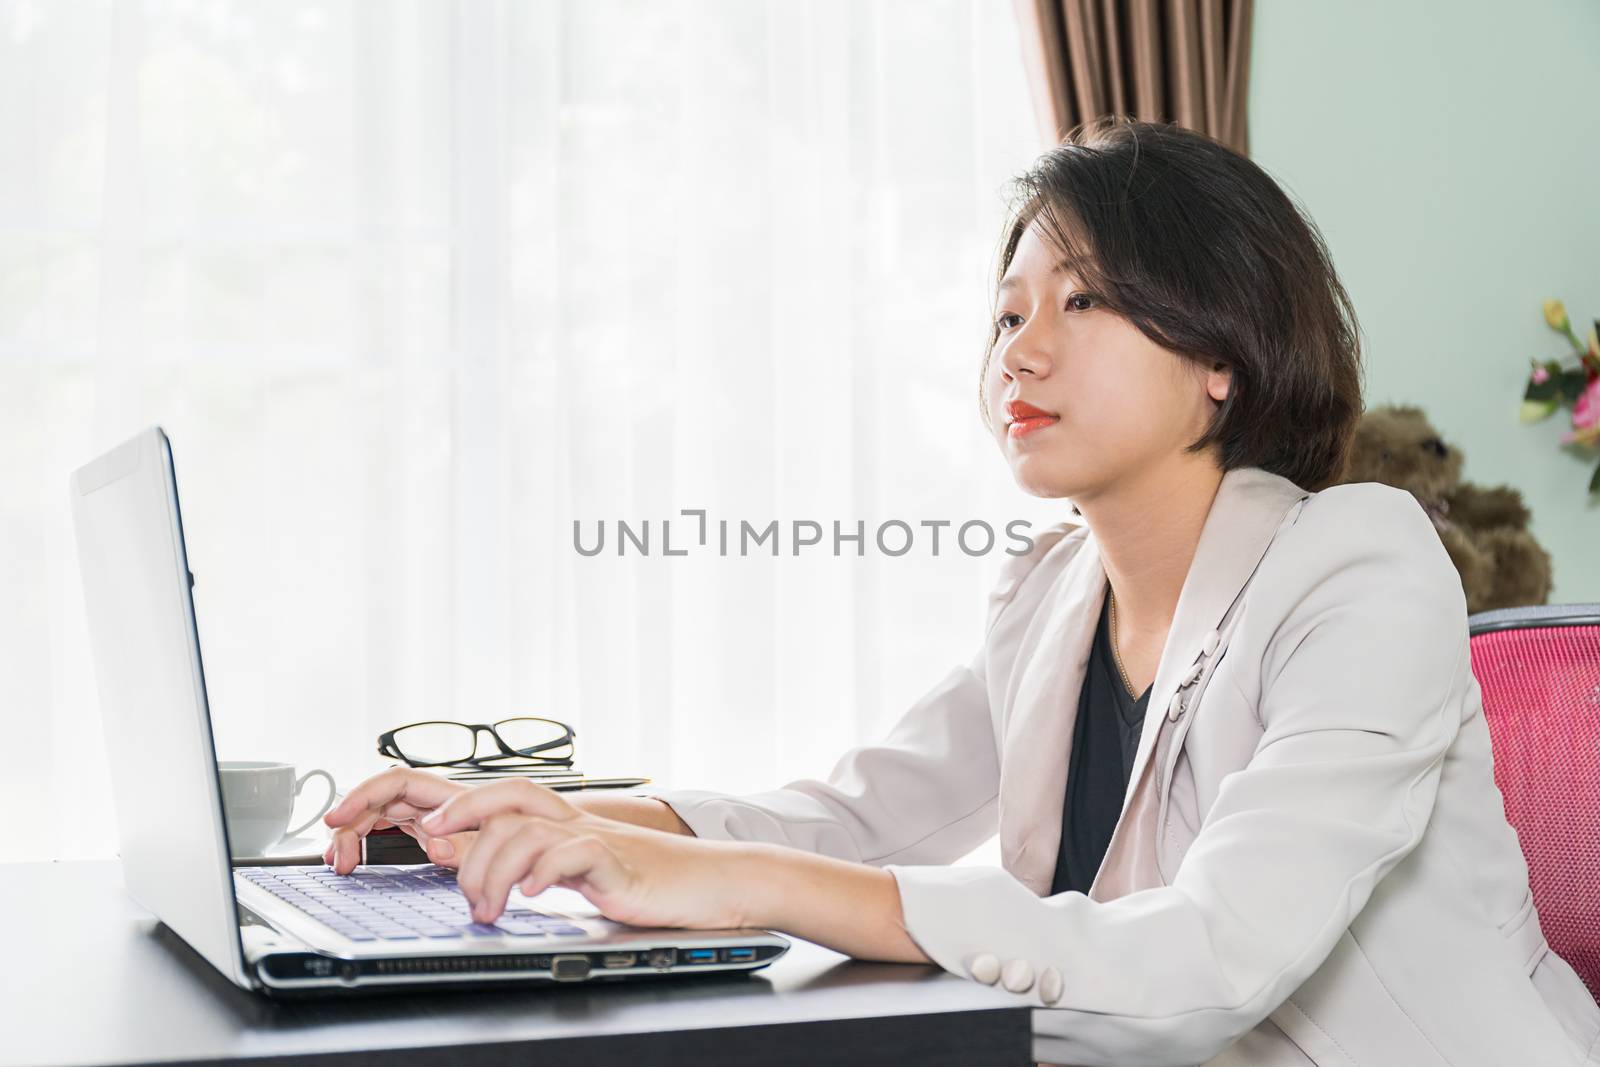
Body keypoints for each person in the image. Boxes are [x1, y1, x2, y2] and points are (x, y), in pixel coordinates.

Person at [323, 119, 1600, 1066]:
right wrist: (570, 814)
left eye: (1084, 302)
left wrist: (738, 887)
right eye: (1006, 313)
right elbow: (854, 818)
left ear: (1219, 352)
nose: (1021, 351)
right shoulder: (1051, 594)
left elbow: (1211, 956)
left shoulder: (1357, 563)